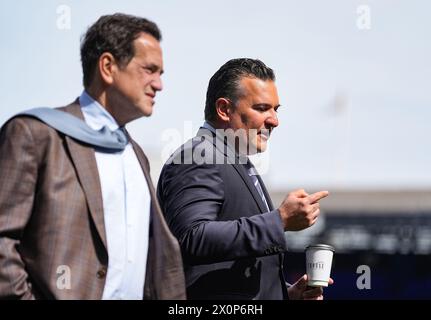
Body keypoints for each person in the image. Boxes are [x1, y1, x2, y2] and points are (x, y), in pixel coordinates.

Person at [0, 13, 185, 299]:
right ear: (108, 67)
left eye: (161, 74)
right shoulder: (35, 134)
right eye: (150, 69)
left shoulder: (136, 155)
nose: (159, 84)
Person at [157, 58, 331, 300]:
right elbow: (191, 237)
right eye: (261, 108)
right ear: (224, 109)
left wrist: (286, 295)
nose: (274, 121)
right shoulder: (198, 156)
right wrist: (279, 221)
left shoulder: (234, 161)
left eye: (276, 109)